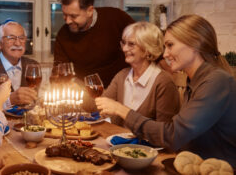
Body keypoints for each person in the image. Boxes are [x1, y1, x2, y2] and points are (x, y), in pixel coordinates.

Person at [95, 14, 236, 167]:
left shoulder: (216, 82)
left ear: (194, 44)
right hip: (190, 166)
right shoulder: (196, 80)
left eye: (170, 45)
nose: (165, 54)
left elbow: (172, 136)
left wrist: (122, 110)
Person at [95, 21, 180, 126]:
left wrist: (119, 110)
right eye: (124, 43)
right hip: (117, 140)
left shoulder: (163, 82)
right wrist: (78, 91)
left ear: (147, 49)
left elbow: (165, 131)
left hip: (144, 143)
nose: (125, 49)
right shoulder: (122, 76)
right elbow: (99, 106)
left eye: (131, 44)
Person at [54, 0, 135, 88]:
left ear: (90, 11)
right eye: (64, 15)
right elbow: (60, 71)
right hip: (85, 93)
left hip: (122, 88)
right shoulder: (62, 35)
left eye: (73, 16)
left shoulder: (116, 17)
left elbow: (143, 40)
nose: (67, 21)